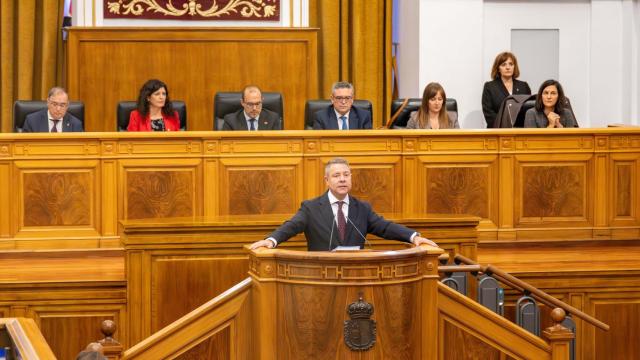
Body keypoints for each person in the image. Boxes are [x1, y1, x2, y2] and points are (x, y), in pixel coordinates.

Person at [250, 157, 438, 251]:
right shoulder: (311, 207)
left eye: (346, 175)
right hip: (321, 280)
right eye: (337, 176)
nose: (342, 180)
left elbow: (385, 227)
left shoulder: (362, 208)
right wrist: (270, 241)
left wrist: (413, 237)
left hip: (355, 279)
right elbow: (290, 227)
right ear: (326, 180)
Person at [482, 52, 531, 128]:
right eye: (503, 64)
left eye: (511, 64)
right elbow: (488, 112)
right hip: (497, 131)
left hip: (520, 130)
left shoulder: (523, 86)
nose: (508, 67)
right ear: (498, 68)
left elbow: (529, 109)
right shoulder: (490, 86)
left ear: (514, 67)